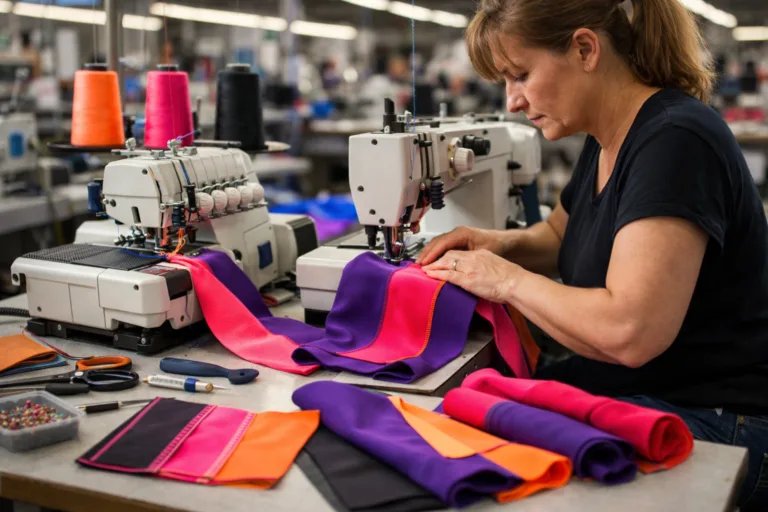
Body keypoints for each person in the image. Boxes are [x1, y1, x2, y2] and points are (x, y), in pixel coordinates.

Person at [416, 0, 768, 509]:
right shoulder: (608, 138)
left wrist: (504, 279)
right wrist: (493, 243)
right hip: (649, 393)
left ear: (584, 49)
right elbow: (561, 236)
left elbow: (629, 331)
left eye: (520, 75)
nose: (512, 101)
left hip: (716, 419)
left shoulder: (675, 140)